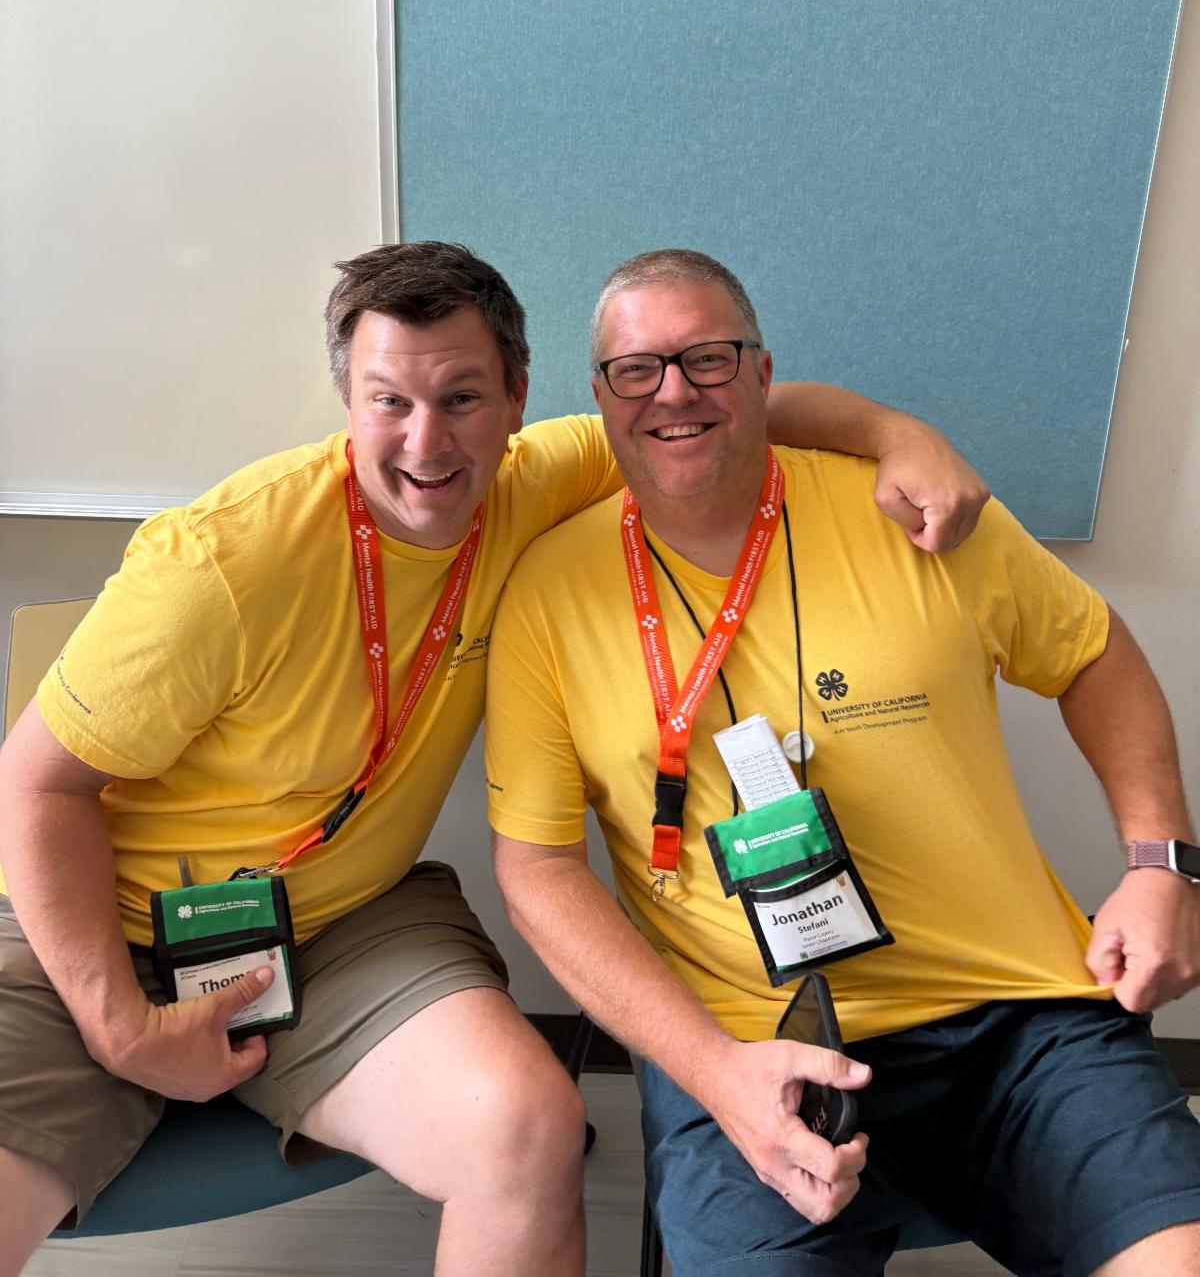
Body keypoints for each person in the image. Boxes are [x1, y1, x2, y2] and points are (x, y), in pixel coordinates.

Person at [0, 241, 989, 1277]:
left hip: (347, 923)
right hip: (87, 924)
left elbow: (716, 410)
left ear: (518, 398)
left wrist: (897, 433)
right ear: (348, 402)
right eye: (390, 401)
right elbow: (35, 785)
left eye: (462, 396)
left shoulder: (536, 482)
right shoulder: (223, 564)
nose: (427, 442)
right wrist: (121, 1027)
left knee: (526, 1128)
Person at [486, 247, 1200, 1277]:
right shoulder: (549, 592)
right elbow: (539, 871)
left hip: (1020, 1023)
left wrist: (1159, 862)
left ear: (766, 373)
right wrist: (715, 1074)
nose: (673, 390)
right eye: (636, 369)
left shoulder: (913, 512)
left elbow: (1092, 652)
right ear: (599, 399)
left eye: (709, 358)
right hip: (747, 1045)